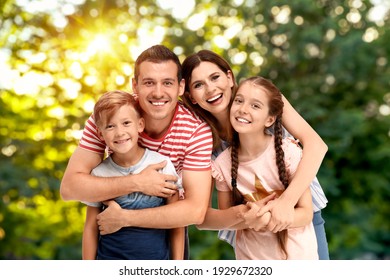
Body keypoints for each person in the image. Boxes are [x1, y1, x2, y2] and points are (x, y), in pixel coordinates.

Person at [60, 45, 213, 259]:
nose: (158, 92)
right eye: (149, 82)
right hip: (113, 242)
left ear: (180, 87)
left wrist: (125, 218)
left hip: (164, 230)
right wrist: (138, 182)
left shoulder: (196, 131)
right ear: (135, 85)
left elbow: (194, 211)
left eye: (167, 83)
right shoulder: (109, 119)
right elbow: (69, 189)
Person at [181, 50, 329, 259]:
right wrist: (247, 216)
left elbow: (316, 145)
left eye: (215, 77)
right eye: (198, 85)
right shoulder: (203, 140)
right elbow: (202, 218)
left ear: (229, 77)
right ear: (191, 97)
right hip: (253, 235)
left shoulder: (263, 96)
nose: (210, 89)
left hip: (299, 214)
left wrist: (286, 203)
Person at [202, 76, 319, 259]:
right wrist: (247, 219)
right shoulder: (222, 164)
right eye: (239, 101)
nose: (243, 109)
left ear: (270, 119)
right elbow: (226, 218)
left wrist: (267, 219)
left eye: (255, 106)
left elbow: (306, 214)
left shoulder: (288, 152)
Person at [82, 90, 184, 260]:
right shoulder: (99, 174)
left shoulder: (162, 165)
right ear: (100, 134)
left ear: (140, 125)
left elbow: (176, 224)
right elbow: (90, 228)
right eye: (110, 126)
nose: (119, 132)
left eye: (126, 123)